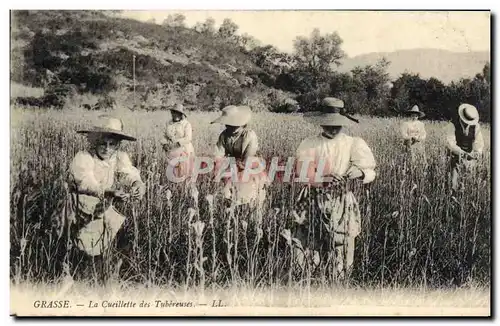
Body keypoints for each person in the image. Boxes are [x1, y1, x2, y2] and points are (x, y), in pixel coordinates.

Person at [293, 97, 377, 280]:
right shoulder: (310, 143)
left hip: (342, 198)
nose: (332, 128)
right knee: (310, 241)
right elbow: (302, 173)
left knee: (342, 242)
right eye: (327, 124)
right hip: (314, 198)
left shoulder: (353, 143)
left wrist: (360, 173)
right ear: (321, 123)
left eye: (336, 125)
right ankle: (310, 280)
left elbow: (370, 171)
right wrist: (322, 179)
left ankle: (338, 281)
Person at [62, 114, 146, 281]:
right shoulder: (84, 157)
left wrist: (137, 183)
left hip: (101, 205)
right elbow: (85, 182)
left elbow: (128, 173)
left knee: (115, 235)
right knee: (85, 241)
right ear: (94, 142)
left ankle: (112, 271)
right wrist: (108, 191)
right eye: (102, 144)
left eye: (111, 144)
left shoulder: (119, 157)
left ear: (117, 145)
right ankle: (79, 273)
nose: (107, 148)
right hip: (79, 204)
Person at [211, 105, 268, 223]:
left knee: (249, 199)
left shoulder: (249, 135)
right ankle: (235, 223)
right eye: (228, 125)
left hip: (248, 168)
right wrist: (218, 170)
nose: (230, 128)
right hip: (232, 168)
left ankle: (253, 224)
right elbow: (218, 154)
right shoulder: (224, 136)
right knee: (228, 197)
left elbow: (247, 161)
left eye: (233, 125)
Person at [446, 103, 485, 191]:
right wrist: (462, 154)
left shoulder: (476, 126)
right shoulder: (453, 124)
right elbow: (450, 144)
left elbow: (478, 142)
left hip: (470, 157)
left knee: (467, 183)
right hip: (455, 155)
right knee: (453, 184)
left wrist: (477, 152)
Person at [161, 104, 195, 182]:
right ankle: (175, 188)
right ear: (171, 113)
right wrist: (165, 144)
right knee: (173, 172)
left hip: (184, 150)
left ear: (181, 114)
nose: (175, 115)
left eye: (178, 113)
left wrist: (176, 144)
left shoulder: (186, 124)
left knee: (184, 171)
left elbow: (188, 138)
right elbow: (163, 136)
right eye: (174, 112)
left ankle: (186, 189)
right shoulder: (168, 123)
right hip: (171, 151)